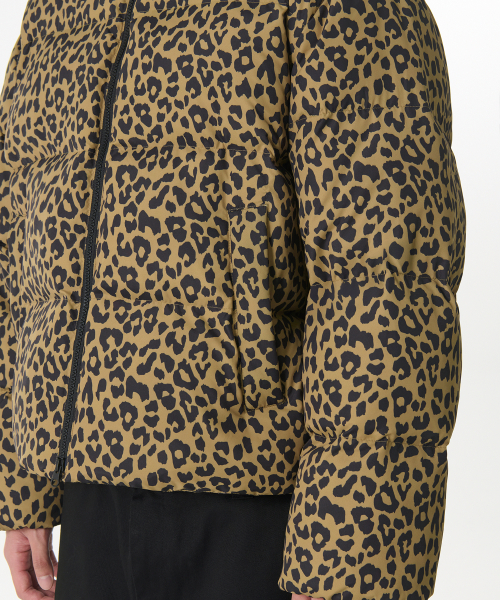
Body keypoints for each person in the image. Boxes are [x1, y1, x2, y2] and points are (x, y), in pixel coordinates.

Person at [0, 0, 466, 599]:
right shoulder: (61, 9)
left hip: (270, 503)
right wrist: (24, 476)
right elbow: (21, 239)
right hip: (89, 492)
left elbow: (387, 281)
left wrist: (350, 556)